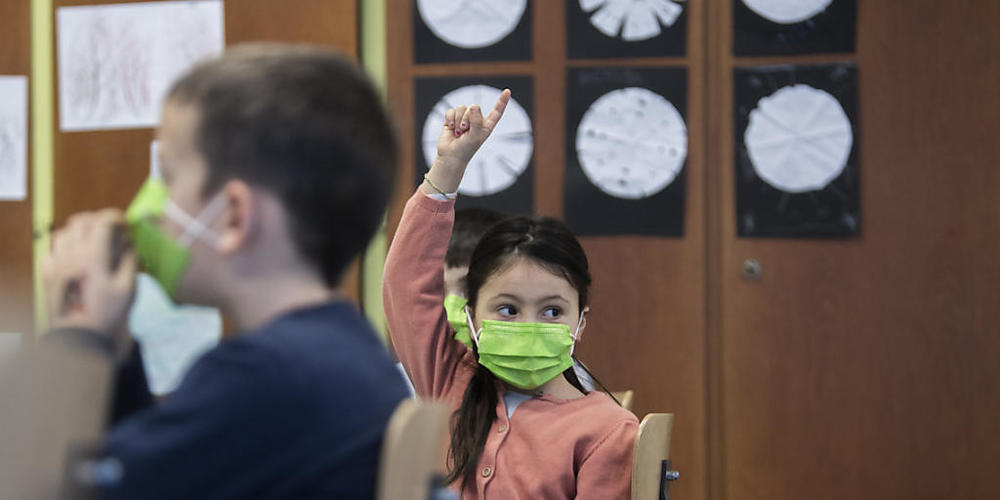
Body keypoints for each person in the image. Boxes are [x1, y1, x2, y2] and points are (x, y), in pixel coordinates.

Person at [36, 43, 408, 498]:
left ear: (233, 216)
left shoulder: (264, 378)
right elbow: (145, 469)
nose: (150, 207)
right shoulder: (340, 353)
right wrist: (116, 348)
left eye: (168, 179)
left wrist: (75, 339)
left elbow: (56, 488)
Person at [383, 91, 637, 498]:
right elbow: (405, 281)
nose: (529, 326)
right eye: (507, 309)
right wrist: (448, 167)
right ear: (470, 315)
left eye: (553, 311)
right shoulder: (449, 381)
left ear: (581, 321)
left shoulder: (607, 430)